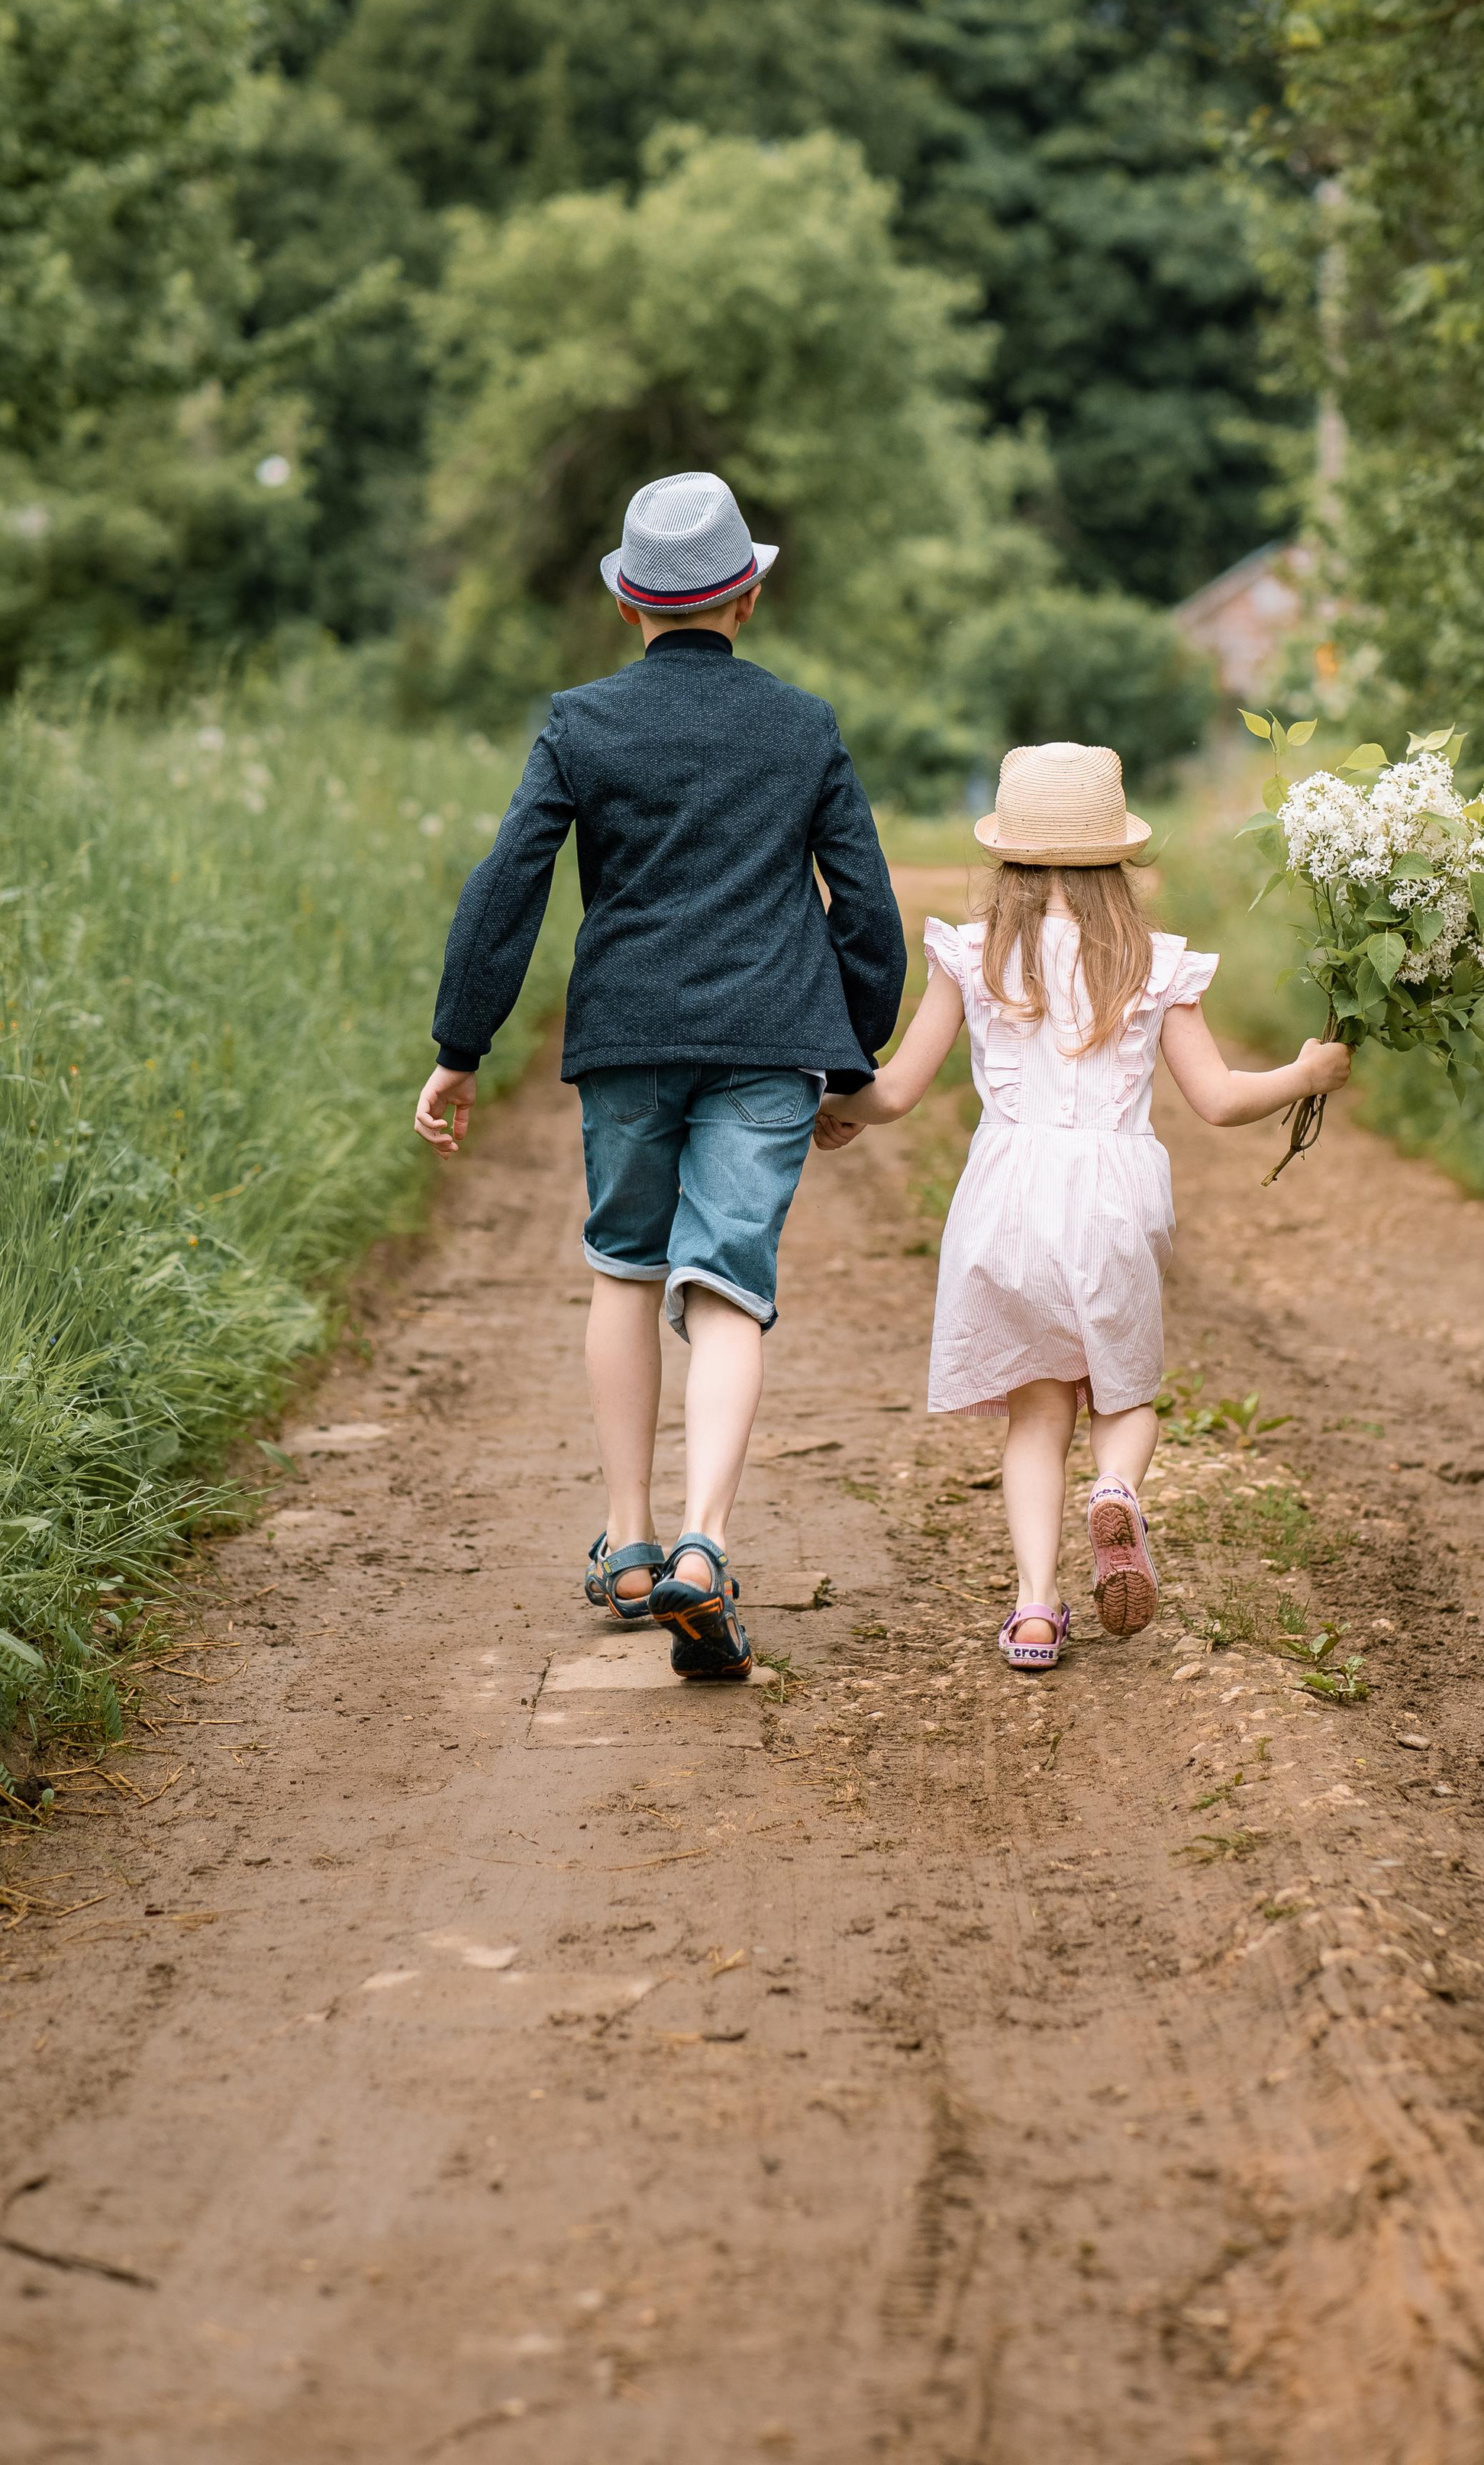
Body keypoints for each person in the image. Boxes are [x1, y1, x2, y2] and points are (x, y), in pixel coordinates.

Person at [413, 472, 906, 1679]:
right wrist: (854, 1054)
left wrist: (460, 1046)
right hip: (768, 1041)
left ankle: (629, 1542)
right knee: (729, 1285)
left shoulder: (581, 723)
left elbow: (505, 889)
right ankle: (704, 1546)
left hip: (628, 1038)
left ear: (630, 605)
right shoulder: (803, 724)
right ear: (747, 597)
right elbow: (869, 911)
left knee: (627, 1273)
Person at [815, 740, 1352, 1672]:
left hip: (1005, 1196)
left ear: (1004, 856)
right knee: (1124, 1392)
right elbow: (1219, 1100)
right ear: (1121, 857)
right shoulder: (1151, 963)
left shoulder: (973, 953)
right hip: (1114, 1195)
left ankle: (1032, 1609)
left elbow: (896, 1089)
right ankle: (1115, 1489)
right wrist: (1306, 1073)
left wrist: (836, 1112)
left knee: (1035, 1408)